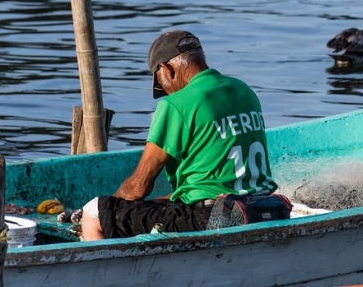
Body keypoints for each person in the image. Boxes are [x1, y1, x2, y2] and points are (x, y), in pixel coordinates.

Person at [81, 30, 279, 240]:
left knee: (93, 212)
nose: (166, 92)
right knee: (162, 203)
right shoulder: (244, 90)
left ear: (166, 69)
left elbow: (138, 187)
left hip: (209, 217)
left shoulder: (177, 104)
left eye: (161, 84)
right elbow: (210, 183)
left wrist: (111, 207)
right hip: (263, 206)